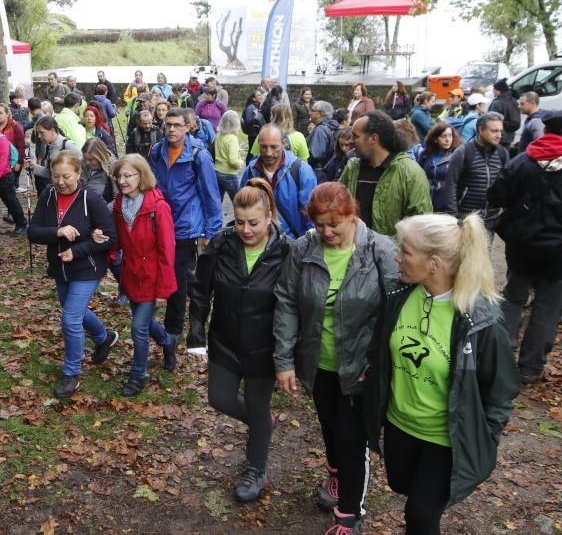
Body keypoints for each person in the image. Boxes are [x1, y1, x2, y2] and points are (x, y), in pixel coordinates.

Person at [364, 214, 519, 534]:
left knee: (420, 515)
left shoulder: (481, 320)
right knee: (403, 485)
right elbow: (380, 350)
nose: (397, 258)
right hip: (399, 426)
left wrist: (484, 437)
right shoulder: (399, 296)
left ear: (434, 263)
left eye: (406, 252)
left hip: (446, 439)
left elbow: (500, 390)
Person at [275, 182, 399, 534]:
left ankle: (349, 514)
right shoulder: (304, 249)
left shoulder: (380, 251)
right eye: (319, 225)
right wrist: (284, 360)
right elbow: (286, 301)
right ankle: (335, 476)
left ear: (352, 215)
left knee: (351, 437)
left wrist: (377, 362)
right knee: (329, 427)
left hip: (360, 367)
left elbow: (396, 311)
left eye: (334, 225)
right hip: (319, 363)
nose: (326, 232)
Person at [188, 179, 291, 502]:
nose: (246, 230)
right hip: (226, 340)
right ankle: (262, 424)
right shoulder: (222, 243)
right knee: (219, 398)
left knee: (258, 405)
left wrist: (290, 353)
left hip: (264, 347)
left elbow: (293, 305)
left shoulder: (285, 251)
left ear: (270, 215)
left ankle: (255, 469)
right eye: (240, 221)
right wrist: (196, 334)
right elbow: (200, 290)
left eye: (254, 223)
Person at [489, 110, 562, 383]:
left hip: (521, 246)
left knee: (514, 299)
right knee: (547, 307)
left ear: (546, 131)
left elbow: (496, 195)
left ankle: (500, 357)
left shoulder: (521, 162)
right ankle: (530, 368)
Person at [27, 151, 119, 398]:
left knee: (70, 319)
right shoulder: (48, 195)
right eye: (56, 176)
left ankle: (71, 373)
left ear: (79, 174)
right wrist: (58, 232)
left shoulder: (91, 199)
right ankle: (104, 336)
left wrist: (77, 250)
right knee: (75, 311)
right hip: (60, 268)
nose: (60, 182)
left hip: (87, 267)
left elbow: (111, 237)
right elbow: (33, 232)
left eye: (66, 176)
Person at [108, 155, 177, 396]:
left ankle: (138, 375)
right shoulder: (119, 204)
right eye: (119, 176)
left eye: (128, 175)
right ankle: (168, 343)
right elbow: (116, 238)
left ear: (141, 175)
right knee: (145, 322)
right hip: (130, 275)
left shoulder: (158, 208)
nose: (123, 181)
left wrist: (164, 290)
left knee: (138, 327)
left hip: (152, 276)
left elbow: (167, 250)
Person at [150, 107, 222, 339]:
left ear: (188, 127)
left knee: (179, 277)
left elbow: (211, 195)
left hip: (185, 227)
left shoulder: (199, 155)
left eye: (177, 125)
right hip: (160, 223)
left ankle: (174, 327)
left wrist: (211, 231)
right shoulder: (157, 151)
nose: (171, 129)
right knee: (162, 270)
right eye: (168, 124)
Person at [340, 112, 433, 237]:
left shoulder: (410, 172)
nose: (350, 141)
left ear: (373, 138)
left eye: (355, 136)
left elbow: (420, 223)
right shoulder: (352, 168)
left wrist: (388, 250)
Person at [240, 124, 317, 239]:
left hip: (293, 245)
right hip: (260, 243)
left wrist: (308, 244)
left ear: (284, 144)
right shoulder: (250, 172)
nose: (268, 153)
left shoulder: (301, 171)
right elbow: (242, 207)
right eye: (263, 147)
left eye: (274, 147)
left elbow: (312, 214)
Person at [443, 112, 508, 234]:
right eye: (494, 131)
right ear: (481, 130)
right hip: (466, 220)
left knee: (484, 253)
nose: (499, 135)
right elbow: (451, 184)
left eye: (500, 131)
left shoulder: (502, 153)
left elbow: (506, 185)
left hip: (490, 220)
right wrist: (454, 216)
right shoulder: (463, 152)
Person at [416, 122, 463, 213]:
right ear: (435, 139)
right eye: (443, 136)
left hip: (447, 202)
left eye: (450, 135)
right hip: (426, 200)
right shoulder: (426, 154)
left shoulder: (457, 155)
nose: (447, 139)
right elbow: (417, 175)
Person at [28, 116, 82, 194]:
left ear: (52, 130)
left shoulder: (69, 145)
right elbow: (49, 173)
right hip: (58, 191)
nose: (39, 136)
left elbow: (83, 168)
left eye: (42, 132)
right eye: (38, 133)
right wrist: (33, 166)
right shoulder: (49, 146)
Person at [212, 110, 244, 203]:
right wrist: (241, 163)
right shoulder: (232, 139)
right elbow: (233, 161)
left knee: (218, 200)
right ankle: (241, 217)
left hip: (217, 171)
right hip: (229, 174)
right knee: (238, 201)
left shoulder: (218, 135)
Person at [308, 101, 339, 180]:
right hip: (327, 173)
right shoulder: (330, 127)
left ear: (320, 114)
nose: (309, 112)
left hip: (318, 173)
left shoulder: (320, 130)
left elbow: (315, 155)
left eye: (312, 110)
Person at [487, 80, 520, 150]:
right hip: (509, 137)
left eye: (494, 89)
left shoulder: (497, 103)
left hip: (498, 137)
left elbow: (490, 119)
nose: (493, 91)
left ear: (499, 90)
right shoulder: (514, 100)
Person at [80, 138, 114, 203]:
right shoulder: (82, 164)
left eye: (91, 159)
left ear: (100, 156)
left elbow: (118, 198)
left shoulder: (113, 168)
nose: (87, 162)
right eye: (85, 158)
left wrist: (104, 210)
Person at [241, 89, 266, 154]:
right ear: (254, 99)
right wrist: (256, 115)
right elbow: (248, 121)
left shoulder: (259, 106)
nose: (260, 97)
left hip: (257, 133)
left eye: (261, 95)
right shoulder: (250, 107)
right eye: (258, 95)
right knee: (251, 153)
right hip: (253, 134)